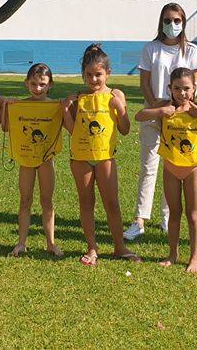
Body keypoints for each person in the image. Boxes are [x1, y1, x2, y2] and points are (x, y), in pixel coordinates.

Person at [136, 67, 197, 273]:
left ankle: (194, 258)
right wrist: (160, 111)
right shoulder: (164, 106)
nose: (182, 93)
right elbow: (139, 116)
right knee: (174, 213)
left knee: (193, 214)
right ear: (170, 88)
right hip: (170, 168)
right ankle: (172, 253)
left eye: (186, 88)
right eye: (177, 88)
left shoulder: (196, 107)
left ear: (194, 88)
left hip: (192, 169)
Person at [125, 3, 197, 241]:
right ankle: (139, 220)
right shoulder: (151, 49)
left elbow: (195, 86)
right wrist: (157, 108)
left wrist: (178, 109)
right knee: (149, 168)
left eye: (177, 20)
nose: (172, 25)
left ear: (183, 22)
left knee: (174, 167)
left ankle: (167, 217)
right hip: (155, 114)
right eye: (168, 20)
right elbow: (144, 84)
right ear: (161, 22)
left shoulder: (191, 50)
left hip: (180, 121)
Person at [62, 44, 139, 266]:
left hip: (105, 157)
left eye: (98, 74)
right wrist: (66, 111)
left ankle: (119, 247)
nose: (94, 79)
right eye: (89, 75)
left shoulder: (115, 94)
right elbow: (73, 130)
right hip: (80, 157)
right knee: (86, 203)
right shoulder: (78, 98)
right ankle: (92, 248)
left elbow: (125, 129)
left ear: (108, 73)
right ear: (83, 75)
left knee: (112, 203)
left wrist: (120, 109)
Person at [1, 63, 63, 257]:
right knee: (25, 200)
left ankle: (51, 243)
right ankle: (21, 242)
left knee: (47, 201)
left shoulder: (56, 106)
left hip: (46, 160)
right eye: (34, 83)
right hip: (26, 159)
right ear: (26, 83)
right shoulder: (19, 105)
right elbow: (4, 127)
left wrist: (66, 105)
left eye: (42, 84)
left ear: (50, 84)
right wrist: (7, 106)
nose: (38, 88)